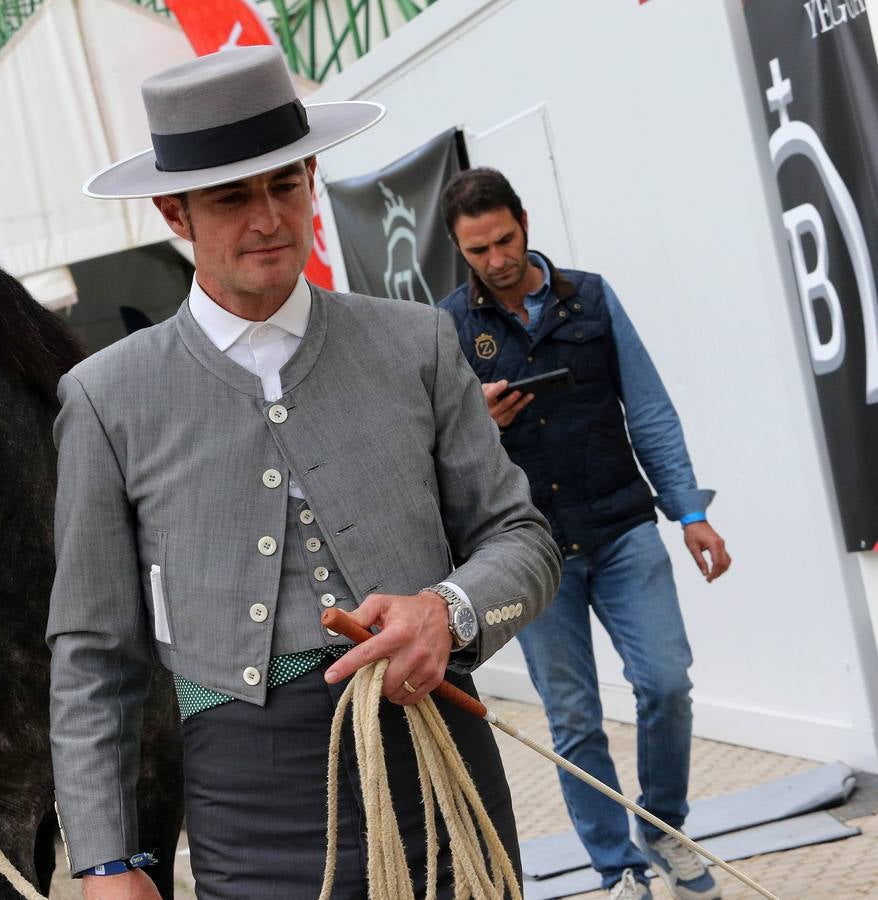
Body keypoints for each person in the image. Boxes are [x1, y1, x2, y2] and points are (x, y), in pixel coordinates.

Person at [48, 47, 562, 900]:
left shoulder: (415, 344)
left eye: (286, 185)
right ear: (175, 213)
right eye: (231, 197)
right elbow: (93, 656)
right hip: (247, 801)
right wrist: (106, 859)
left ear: (314, 178)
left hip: (440, 766)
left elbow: (524, 538)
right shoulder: (107, 399)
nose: (268, 218)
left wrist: (450, 611)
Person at [438, 168, 731, 900]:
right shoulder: (447, 327)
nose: (498, 259)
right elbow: (437, 453)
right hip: (529, 552)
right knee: (573, 720)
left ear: (526, 222)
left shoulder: (591, 297)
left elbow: (652, 410)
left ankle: (661, 826)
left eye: (505, 239)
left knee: (666, 683)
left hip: (623, 526)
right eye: (479, 250)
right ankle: (618, 868)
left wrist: (689, 510)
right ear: (458, 248)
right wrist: (480, 421)